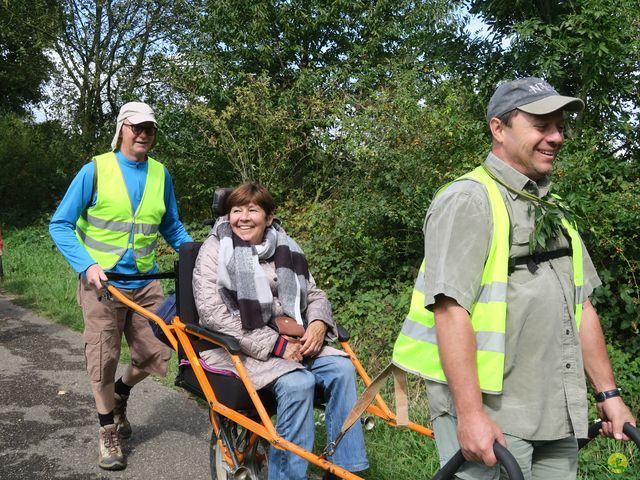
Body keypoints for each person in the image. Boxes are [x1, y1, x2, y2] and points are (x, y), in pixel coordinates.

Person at [393, 78, 636, 479]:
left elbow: (582, 305)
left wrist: (608, 395)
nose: (556, 137)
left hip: (554, 409)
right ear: (498, 128)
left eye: (560, 126)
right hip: (493, 416)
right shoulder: (468, 200)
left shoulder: (553, 207)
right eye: (542, 125)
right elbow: (450, 311)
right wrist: (470, 416)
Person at [49, 102, 192, 471]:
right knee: (103, 357)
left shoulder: (161, 175)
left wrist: (198, 257)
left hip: (146, 282)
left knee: (158, 351)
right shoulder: (95, 169)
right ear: (122, 129)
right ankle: (107, 430)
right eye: (137, 127)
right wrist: (87, 264)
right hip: (103, 284)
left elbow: (172, 227)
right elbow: (60, 224)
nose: (144, 134)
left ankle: (122, 391)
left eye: (150, 129)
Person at [192, 183, 368, 480]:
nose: (243, 218)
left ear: (269, 217)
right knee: (298, 384)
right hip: (239, 346)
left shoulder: (286, 247)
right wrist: (274, 345)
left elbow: (314, 294)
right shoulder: (215, 249)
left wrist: (317, 324)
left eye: (253, 210)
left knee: (341, 368)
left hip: (292, 340)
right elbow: (214, 314)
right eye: (236, 210)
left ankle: (343, 469)